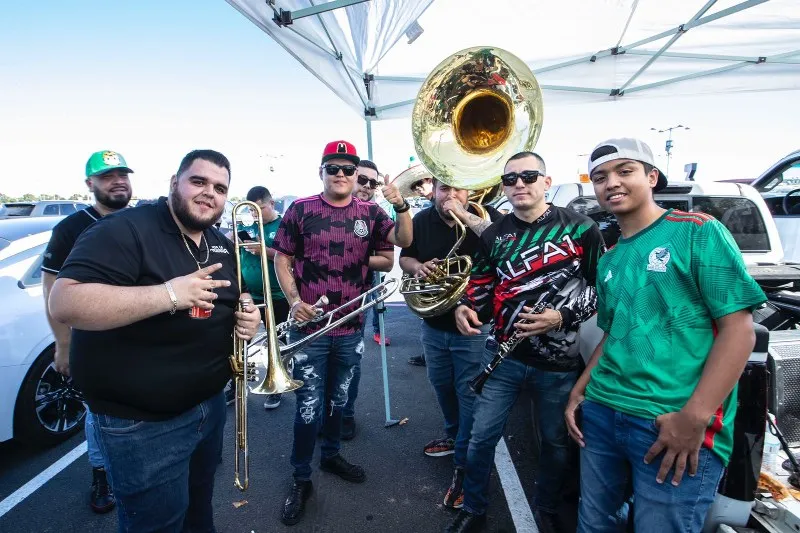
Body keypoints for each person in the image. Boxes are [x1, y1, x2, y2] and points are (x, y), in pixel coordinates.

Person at [48, 149, 261, 533]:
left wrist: (247, 314)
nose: (209, 192)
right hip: (143, 425)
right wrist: (170, 294)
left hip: (209, 407)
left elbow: (233, 297)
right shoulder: (125, 229)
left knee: (198, 511)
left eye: (220, 188)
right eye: (198, 181)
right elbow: (65, 302)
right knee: (157, 524)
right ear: (174, 184)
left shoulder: (218, 240)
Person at [564, 138, 767, 533]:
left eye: (625, 171)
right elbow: (614, 333)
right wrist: (580, 390)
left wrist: (693, 418)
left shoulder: (697, 232)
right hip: (603, 412)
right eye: (601, 177)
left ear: (652, 177)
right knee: (593, 524)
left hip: (668, 422)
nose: (611, 183)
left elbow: (739, 331)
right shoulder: (610, 257)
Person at [449, 152, 606, 533]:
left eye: (529, 176)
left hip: (558, 364)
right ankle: (473, 509)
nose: (519, 184)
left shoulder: (582, 229)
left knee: (554, 444)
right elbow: (482, 285)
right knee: (480, 439)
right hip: (503, 358)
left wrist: (561, 316)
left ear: (546, 182)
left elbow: (601, 292)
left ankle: (546, 508)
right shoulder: (494, 234)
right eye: (510, 179)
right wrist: (465, 306)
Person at [272, 140, 412, 526]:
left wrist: (401, 205)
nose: (341, 174)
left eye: (348, 169)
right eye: (332, 168)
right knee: (308, 406)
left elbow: (403, 242)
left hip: (350, 327)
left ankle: (331, 455)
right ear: (321, 172)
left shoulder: (371, 212)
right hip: (309, 329)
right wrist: (294, 300)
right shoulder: (301, 209)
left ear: (355, 174)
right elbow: (282, 257)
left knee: (337, 400)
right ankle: (301, 477)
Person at [399, 178, 502, 510]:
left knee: (468, 393)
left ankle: (463, 464)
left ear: (470, 192)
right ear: (434, 191)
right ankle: (455, 436)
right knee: (441, 384)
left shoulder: (486, 217)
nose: (451, 195)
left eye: (459, 188)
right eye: (444, 188)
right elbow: (405, 259)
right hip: (433, 324)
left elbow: (503, 249)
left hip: (473, 325)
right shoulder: (421, 220)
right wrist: (419, 267)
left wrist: (465, 215)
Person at [41, 150, 134, 514]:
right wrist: (63, 343)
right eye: (108, 176)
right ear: (89, 184)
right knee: (99, 412)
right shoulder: (71, 228)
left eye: (122, 174)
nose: (118, 181)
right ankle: (101, 474)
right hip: (93, 339)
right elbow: (52, 288)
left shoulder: (142, 220)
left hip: (139, 336)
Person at [332, 159, 395, 441]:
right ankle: (323, 414)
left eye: (373, 182)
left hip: (357, 297)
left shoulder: (375, 215)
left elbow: (387, 260)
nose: (367, 186)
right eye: (363, 179)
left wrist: (349, 255)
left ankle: (345, 414)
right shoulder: (323, 207)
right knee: (318, 361)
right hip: (316, 299)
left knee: (349, 361)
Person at [235, 185, 289, 411]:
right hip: (249, 295)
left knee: (277, 342)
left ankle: (277, 385)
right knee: (239, 341)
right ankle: (235, 385)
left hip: (276, 295)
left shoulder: (284, 225)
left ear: (272, 204)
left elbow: (291, 256)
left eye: (260, 208)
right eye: (252, 210)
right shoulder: (247, 225)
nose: (255, 214)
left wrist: (261, 250)